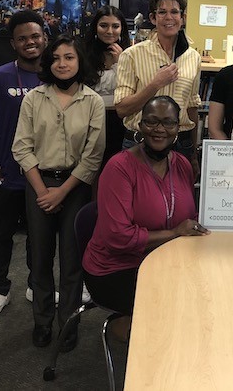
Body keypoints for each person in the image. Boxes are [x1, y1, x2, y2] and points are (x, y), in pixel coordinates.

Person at [83, 96, 208, 340]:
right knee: (184, 298)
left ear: (178, 128)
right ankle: (147, 343)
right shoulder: (119, 168)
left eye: (168, 123)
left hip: (167, 261)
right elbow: (117, 237)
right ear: (140, 126)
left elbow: (189, 215)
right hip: (117, 268)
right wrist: (174, 233)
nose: (159, 129)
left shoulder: (182, 164)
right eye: (151, 122)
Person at [12, 35, 104, 350]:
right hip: (39, 184)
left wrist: (61, 192)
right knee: (39, 257)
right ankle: (42, 321)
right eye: (56, 58)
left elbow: (93, 156)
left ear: (80, 62)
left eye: (69, 57)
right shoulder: (34, 98)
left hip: (75, 186)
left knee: (71, 259)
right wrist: (43, 192)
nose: (62, 64)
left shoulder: (92, 101)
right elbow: (21, 147)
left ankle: (68, 324)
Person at [0, 10, 47, 319]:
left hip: (44, 175)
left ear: (44, 38)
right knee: (2, 234)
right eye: (22, 38)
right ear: (13, 44)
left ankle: (36, 284)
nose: (30, 42)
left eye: (35, 36)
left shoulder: (56, 76)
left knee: (39, 236)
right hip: (7, 173)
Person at [115, 0, 201, 172]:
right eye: (162, 12)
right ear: (153, 18)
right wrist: (155, 85)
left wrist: (193, 153)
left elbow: (192, 107)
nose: (169, 17)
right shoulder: (132, 55)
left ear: (183, 18)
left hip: (181, 144)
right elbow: (122, 109)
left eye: (174, 12)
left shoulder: (193, 57)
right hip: (140, 143)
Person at [85, 6, 131, 166]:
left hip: (120, 120)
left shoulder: (130, 54)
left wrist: (120, 62)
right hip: (90, 119)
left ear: (122, 29)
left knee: (116, 166)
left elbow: (131, 87)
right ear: (95, 27)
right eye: (104, 26)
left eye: (115, 26)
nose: (110, 31)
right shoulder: (84, 53)